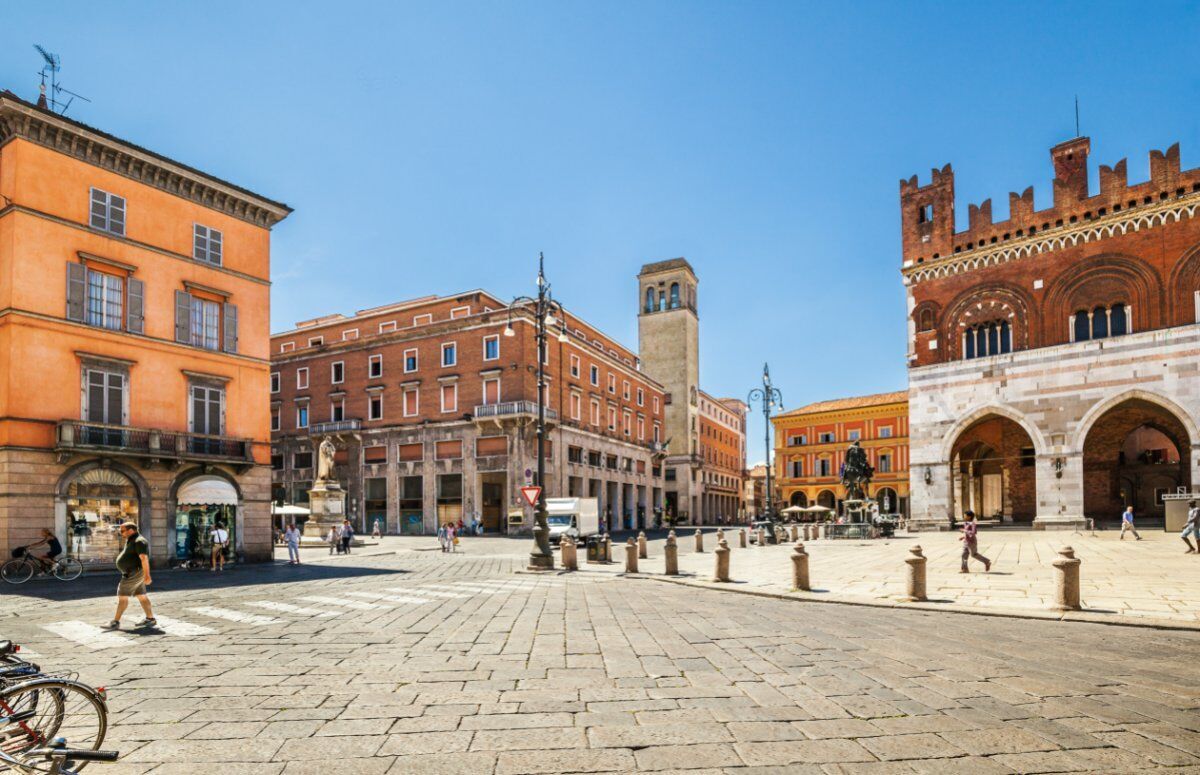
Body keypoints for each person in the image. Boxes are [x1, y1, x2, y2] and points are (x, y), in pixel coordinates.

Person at [106, 522, 155, 630]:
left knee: (123, 597)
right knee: (141, 596)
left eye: (122, 531)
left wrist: (147, 576)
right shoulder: (131, 539)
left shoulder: (139, 541)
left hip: (133, 573)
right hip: (134, 572)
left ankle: (115, 622)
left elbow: (144, 559)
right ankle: (150, 619)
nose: (121, 533)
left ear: (131, 530)